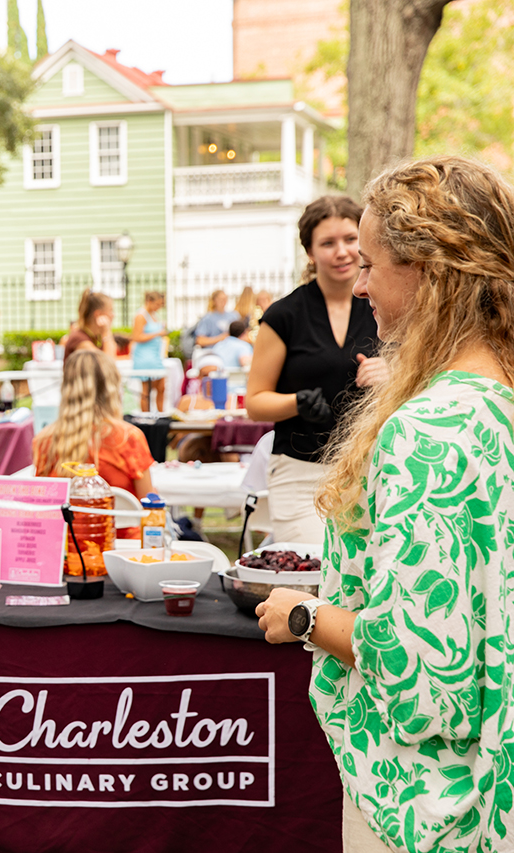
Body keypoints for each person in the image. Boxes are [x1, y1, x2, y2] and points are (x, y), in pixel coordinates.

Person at [257, 156, 514, 852]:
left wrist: (305, 615)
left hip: (428, 803)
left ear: (429, 270)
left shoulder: (428, 431)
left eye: (371, 263)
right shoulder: (497, 401)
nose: (360, 282)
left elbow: (427, 674)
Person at [245, 195, 386, 542]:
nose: (342, 251)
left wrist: (393, 372)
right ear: (310, 252)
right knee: (315, 575)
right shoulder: (284, 315)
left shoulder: (388, 306)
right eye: (328, 243)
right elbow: (254, 402)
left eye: (350, 240)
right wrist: (296, 402)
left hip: (374, 468)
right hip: (301, 472)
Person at [33, 349, 154, 509]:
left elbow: (40, 506)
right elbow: (149, 505)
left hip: (66, 534)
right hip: (120, 533)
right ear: (111, 388)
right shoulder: (128, 438)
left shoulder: (44, 441)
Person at [130, 291, 167, 411]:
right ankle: (145, 416)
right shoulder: (140, 315)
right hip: (145, 357)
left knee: (161, 387)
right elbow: (137, 337)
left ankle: (160, 414)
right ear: (149, 302)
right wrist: (157, 333)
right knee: (146, 390)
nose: (158, 307)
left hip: (155, 356)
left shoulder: (154, 315)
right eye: (156, 304)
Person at [62, 290, 118, 357]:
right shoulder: (80, 339)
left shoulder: (95, 337)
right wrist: (107, 332)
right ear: (98, 314)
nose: (113, 315)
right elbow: (107, 363)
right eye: (110, 310)